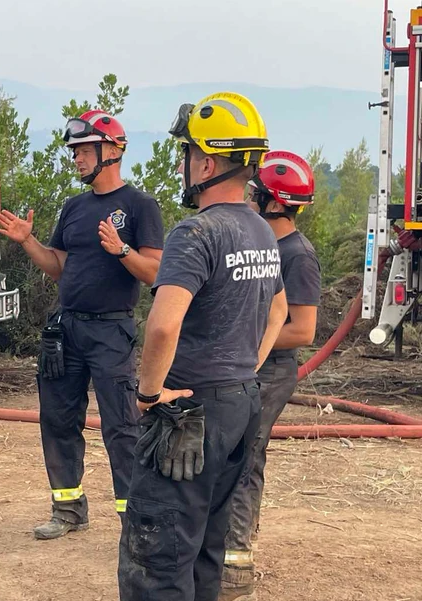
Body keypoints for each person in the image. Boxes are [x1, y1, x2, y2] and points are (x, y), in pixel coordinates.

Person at [117, 92, 288, 601]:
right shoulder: (260, 227)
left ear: (206, 161)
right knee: (206, 551)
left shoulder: (196, 233)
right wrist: (240, 372)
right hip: (241, 402)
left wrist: (147, 395)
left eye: (187, 153)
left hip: (189, 414)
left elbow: (163, 327)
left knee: (159, 556)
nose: (182, 164)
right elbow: (278, 311)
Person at [0, 110, 164, 539]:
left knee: (121, 426)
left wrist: (122, 250)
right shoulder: (74, 207)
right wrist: (28, 241)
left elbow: (155, 273)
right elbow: (60, 267)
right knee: (57, 419)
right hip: (65, 329)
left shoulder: (141, 206)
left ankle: (133, 519)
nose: (75, 159)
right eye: (74, 152)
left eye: (83, 150)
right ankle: (68, 509)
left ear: (111, 151)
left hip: (112, 330)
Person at [219, 151, 321, 601]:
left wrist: (245, 334)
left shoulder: (297, 255)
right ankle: (227, 544)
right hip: (248, 365)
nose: (251, 198)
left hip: (272, 372)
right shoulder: (263, 245)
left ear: (276, 203)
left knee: (244, 457)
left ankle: (235, 564)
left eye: (257, 193)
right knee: (236, 454)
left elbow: (302, 329)